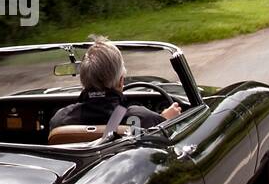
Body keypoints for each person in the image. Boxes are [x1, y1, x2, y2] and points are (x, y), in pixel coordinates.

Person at [49, 38, 182, 133]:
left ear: (83, 82)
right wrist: (165, 119)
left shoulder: (60, 120)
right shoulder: (142, 118)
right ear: (121, 81)